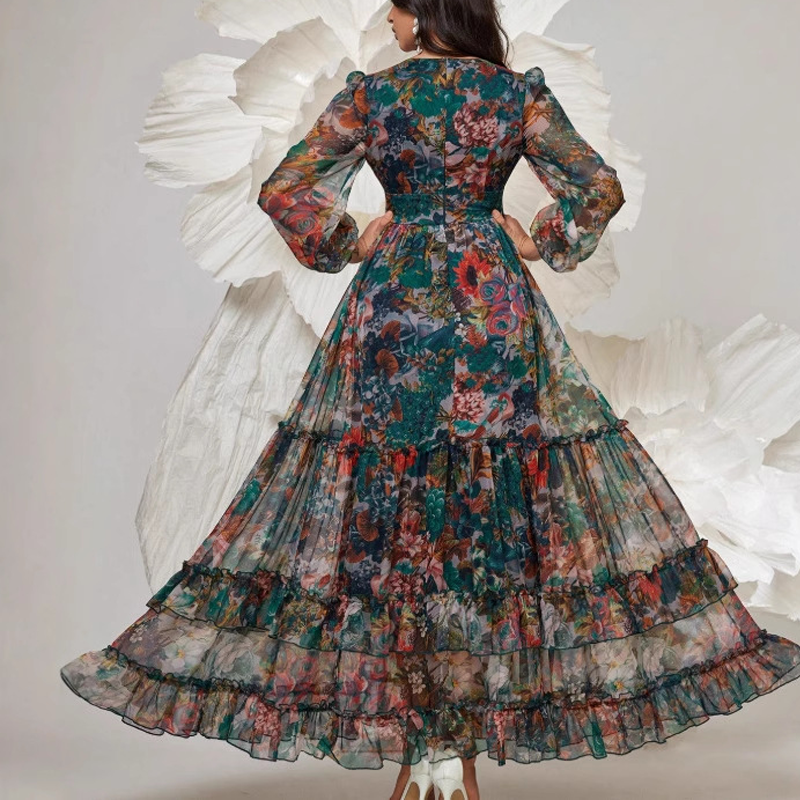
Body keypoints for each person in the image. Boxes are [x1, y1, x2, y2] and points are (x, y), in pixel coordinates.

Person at [59, 2, 800, 800]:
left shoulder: (374, 96)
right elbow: (597, 188)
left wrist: (352, 239)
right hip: (491, 312)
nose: (387, 15)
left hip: (396, 312)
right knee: (486, 521)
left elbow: (288, 190)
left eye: (397, 3)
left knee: (395, 520)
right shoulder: (514, 95)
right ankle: (456, 760)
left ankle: (424, 758)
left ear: (425, 9)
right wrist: (537, 238)